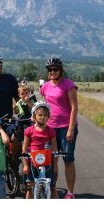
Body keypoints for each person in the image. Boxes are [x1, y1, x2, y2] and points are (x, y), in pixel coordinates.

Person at [40, 57, 78, 199]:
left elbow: (74, 108)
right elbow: (44, 106)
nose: (53, 72)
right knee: (50, 160)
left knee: (68, 160)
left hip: (65, 128)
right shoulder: (45, 86)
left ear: (60, 71)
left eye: (55, 69)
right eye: (50, 69)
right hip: (49, 127)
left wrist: (70, 129)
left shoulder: (69, 85)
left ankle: (70, 192)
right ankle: (52, 188)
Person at [21, 101, 58, 199]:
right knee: (29, 187)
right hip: (32, 162)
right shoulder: (29, 131)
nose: (43, 117)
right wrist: (25, 165)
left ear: (48, 116)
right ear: (34, 115)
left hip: (48, 163)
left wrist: (55, 166)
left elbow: (55, 149)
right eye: (40, 115)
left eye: (45, 115)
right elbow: (24, 149)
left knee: (52, 187)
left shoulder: (51, 131)